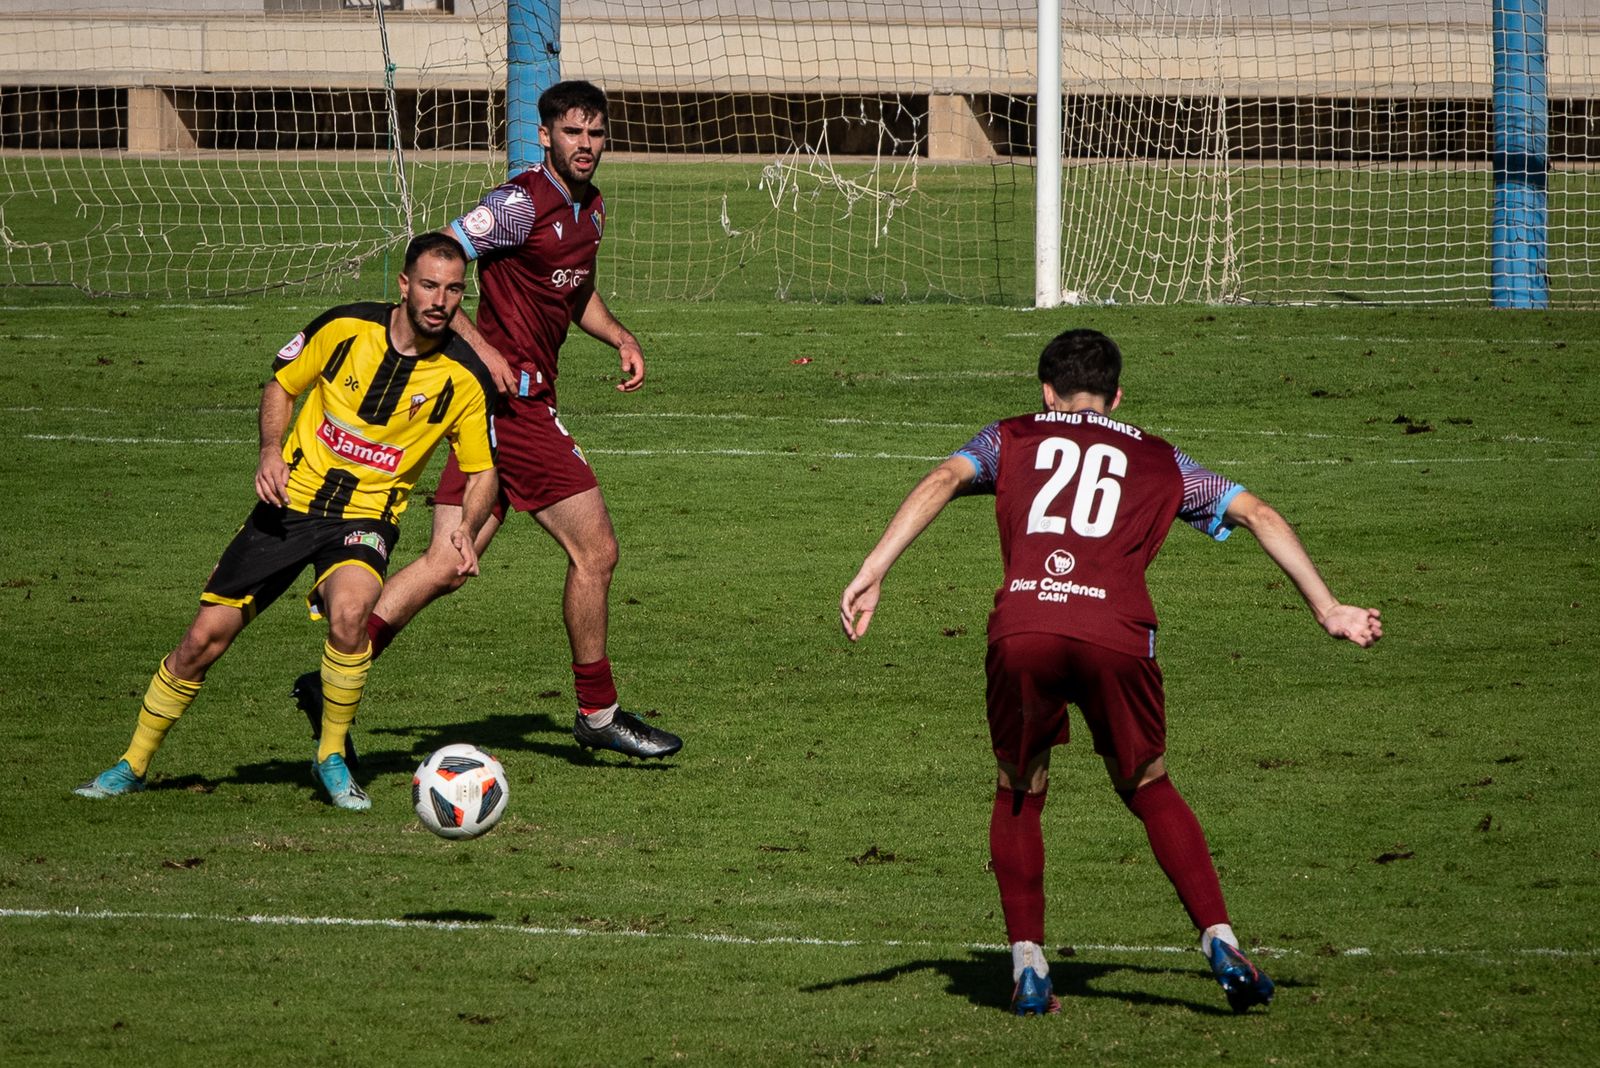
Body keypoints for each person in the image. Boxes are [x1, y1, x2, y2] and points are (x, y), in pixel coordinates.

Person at [839, 329, 1382, 1016]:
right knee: (1148, 784)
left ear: (1045, 391)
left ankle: (1030, 962)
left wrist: (874, 569)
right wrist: (1329, 607)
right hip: (1117, 636)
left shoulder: (1009, 437)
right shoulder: (1162, 460)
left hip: (1025, 628)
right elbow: (1258, 513)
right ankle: (1219, 939)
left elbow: (946, 478)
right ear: (1118, 397)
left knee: (1020, 784)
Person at [291, 79, 682, 762]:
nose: (585, 146)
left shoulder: (588, 210)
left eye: (595, 134)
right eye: (572, 133)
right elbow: (438, 255)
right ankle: (598, 711)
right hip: (515, 408)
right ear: (546, 136)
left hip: (512, 407)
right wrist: (484, 348)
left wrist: (619, 336)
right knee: (596, 552)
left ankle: (331, 682)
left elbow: (574, 288)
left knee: (447, 563)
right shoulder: (517, 204)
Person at [74, 233, 499, 810]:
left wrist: (463, 528)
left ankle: (330, 757)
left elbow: (482, 472)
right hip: (288, 506)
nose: (439, 300)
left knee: (351, 614)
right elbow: (281, 385)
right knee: (203, 641)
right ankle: (133, 763)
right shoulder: (344, 328)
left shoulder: (464, 376)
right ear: (404, 285)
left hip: (365, 515)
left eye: (452, 290)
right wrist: (270, 450)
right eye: (428, 285)